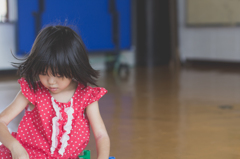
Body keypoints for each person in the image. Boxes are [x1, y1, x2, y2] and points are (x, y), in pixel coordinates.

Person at [0, 25, 110, 159]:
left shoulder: (86, 97)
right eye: (43, 73)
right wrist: (15, 147)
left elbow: (101, 135)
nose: (51, 81)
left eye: (58, 75)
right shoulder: (32, 91)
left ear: (74, 68)